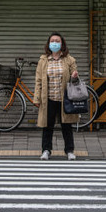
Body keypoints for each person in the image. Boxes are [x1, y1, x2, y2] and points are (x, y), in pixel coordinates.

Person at [34, 32, 79, 160]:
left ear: (62, 44)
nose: (55, 43)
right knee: (47, 125)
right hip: (48, 99)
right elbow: (38, 80)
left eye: (57, 41)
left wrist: (74, 76)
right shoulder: (43, 60)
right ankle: (46, 150)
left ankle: (69, 151)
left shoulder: (69, 59)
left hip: (65, 99)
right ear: (49, 44)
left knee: (67, 125)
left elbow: (75, 80)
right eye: (52, 41)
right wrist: (37, 98)